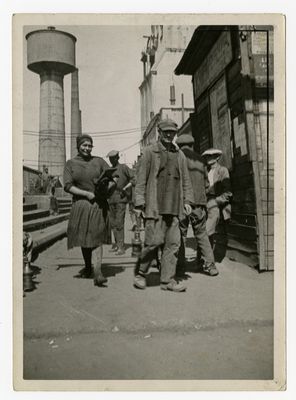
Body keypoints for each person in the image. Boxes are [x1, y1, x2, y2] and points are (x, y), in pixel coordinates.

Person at [133, 118, 194, 292]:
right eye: (166, 132)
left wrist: (188, 201)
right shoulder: (149, 152)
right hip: (155, 207)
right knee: (153, 243)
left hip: (174, 208)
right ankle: (141, 274)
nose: (169, 135)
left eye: (172, 132)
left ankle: (167, 280)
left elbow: (186, 181)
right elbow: (141, 180)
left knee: (173, 244)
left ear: (175, 134)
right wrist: (139, 203)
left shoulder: (179, 154)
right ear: (159, 133)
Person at [64, 134, 116, 287]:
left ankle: (98, 272)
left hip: (99, 204)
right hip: (81, 204)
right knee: (84, 238)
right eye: (84, 145)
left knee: (97, 236)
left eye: (89, 146)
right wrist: (86, 193)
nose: (87, 148)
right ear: (78, 146)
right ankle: (88, 267)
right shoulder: (70, 164)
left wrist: (109, 188)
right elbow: (67, 186)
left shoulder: (99, 161)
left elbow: (113, 178)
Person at [175, 134, 219, 277]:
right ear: (192, 145)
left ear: (179, 146)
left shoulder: (176, 158)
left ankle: (180, 267)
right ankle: (211, 266)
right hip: (199, 204)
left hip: (182, 203)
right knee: (201, 234)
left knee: (180, 234)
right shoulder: (200, 160)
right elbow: (206, 184)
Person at [202, 148, 232, 250]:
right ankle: (206, 260)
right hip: (204, 203)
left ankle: (207, 260)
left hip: (215, 203)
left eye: (211, 156)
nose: (208, 158)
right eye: (207, 156)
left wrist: (215, 202)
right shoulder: (205, 171)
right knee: (204, 233)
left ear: (217, 157)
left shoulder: (222, 171)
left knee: (205, 233)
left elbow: (228, 193)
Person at [106, 150, 135, 255]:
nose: (111, 160)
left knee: (119, 223)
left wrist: (125, 188)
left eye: (113, 158)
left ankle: (121, 247)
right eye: (110, 158)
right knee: (113, 224)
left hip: (120, 199)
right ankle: (117, 245)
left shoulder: (123, 167)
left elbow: (133, 179)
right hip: (110, 199)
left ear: (117, 158)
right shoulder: (108, 170)